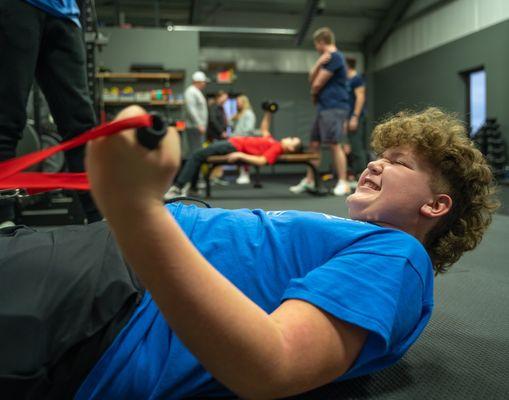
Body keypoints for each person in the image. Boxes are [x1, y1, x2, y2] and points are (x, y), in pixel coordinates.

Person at [0, 105, 498, 399]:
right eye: (379, 156)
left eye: (397, 164)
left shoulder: (399, 259)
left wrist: (136, 207)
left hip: (117, 306)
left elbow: (273, 364)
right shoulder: (361, 239)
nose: (373, 165)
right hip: (117, 261)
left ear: (436, 205)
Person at [0, 0, 101, 222]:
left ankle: (99, 220)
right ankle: (4, 223)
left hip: (65, 13)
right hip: (16, 6)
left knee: (82, 129)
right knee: (6, 122)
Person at [165, 110, 302, 197]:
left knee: (196, 155)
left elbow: (261, 161)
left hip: (234, 146)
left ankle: (177, 188)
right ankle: (193, 188)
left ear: (290, 149)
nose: (289, 137)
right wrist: (268, 113)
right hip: (233, 143)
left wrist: (240, 155)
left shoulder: (277, 148)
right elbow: (264, 130)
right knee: (199, 155)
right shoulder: (274, 142)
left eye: (292, 140)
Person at [290, 27, 351, 196]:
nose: (316, 48)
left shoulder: (335, 57)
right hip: (324, 107)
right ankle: (310, 180)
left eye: (316, 44)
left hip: (334, 106)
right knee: (314, 144)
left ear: (321, 42)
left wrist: (313, 93)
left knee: (333, 143)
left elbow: (316, 83)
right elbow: (311, 77)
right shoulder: (325, 59)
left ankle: (343, 182)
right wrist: (317, 63)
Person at [345, 57, 368, 182]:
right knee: (351, 148)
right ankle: (355, 175)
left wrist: (355, 117)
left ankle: (362, 177)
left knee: (357, 148)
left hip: (356, 117)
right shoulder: (347, 80)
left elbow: (360, 98)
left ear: (347, 66)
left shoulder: (357, 79)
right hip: (348, 118)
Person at [230, 94, 257, 184]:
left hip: (245, 140)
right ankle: (242, 174)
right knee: (240, 159)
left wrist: (237, 136)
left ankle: (245, 175)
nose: (237, 104)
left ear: (244, 102)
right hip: (239, 140)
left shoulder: (248, 113)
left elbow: (249, 129)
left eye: (239, 102)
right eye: (237, 102)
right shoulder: (239, 114)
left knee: (245, 159)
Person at [183, 71, 209, 159]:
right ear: (197, 82)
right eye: (203, 82)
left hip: (197, 127)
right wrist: (199, 124)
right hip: (194, 127)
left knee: (198, 150)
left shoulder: (196, 92)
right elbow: (191, 109)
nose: (204, 84)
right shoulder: (190, 92)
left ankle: (197, 172)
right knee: (196, 151)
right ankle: (195, 172)